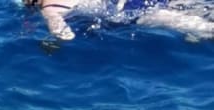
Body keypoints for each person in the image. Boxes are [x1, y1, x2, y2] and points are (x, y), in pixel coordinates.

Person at [22, 0, 214, 42]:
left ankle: (198, 35)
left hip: (133, 11)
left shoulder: (50, 8)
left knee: (207, 30)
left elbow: (65, 35)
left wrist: (51, 43)